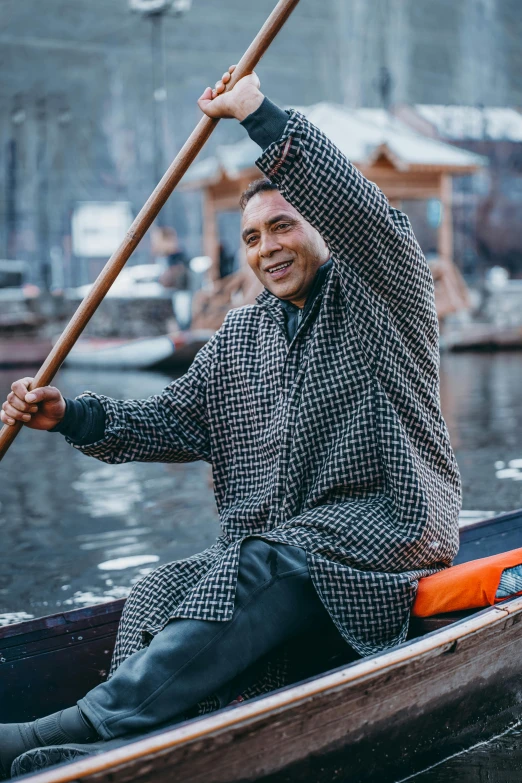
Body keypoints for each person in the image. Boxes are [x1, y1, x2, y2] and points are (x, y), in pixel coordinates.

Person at [0, 66, 461, 777]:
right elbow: (167, 423)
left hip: (385, 535)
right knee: (160, 585)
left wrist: (261, 116)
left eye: (283, 225)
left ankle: (84, 726)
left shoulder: (382, 289)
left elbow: (366, 216)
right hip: (285, 550)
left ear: (322, 228)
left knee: (262, 559)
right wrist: (72, 414)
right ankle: (123, 746)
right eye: (251, 237)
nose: (266, 247)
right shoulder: (241, 336)